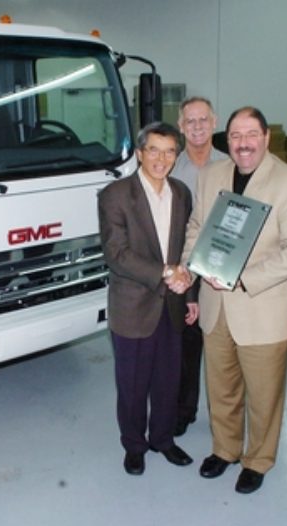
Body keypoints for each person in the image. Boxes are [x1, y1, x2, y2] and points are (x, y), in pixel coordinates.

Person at [181, 106, 287, 494]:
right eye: (236, 136)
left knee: (263, 394)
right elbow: (196, 227)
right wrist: (196, 264)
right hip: (215, 304)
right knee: (221, 387)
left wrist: (242, 279)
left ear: (266, 137)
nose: (243, 143)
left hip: (262, 307)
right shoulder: (211, 176)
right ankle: (224, 450)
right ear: (228, 139)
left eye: (251, 135)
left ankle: (258, 459)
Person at [98, 121, 197, 476]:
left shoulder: (182, 193)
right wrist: (166, 273)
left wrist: (190, 292)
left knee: (168, 380)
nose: (161, 158)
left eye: (170, 151)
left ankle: (163, 439)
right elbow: (116, 253)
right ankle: (134, 445)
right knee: (133, 384)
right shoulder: (115, 195)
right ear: (140, 153)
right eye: (154, 149)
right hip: (132, 308)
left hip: (171, 306)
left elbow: (187, 246)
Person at [171, 96, 229, 436]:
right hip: (184, 270)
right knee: (187, 349)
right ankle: (184, 410)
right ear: (181, 127)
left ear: (214, 122)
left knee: (223, 353)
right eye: (190, 122)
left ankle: (224, 418)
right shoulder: (170, 168)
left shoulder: (230, 165)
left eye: (203, 120)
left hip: (222, 268)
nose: (197, 127)